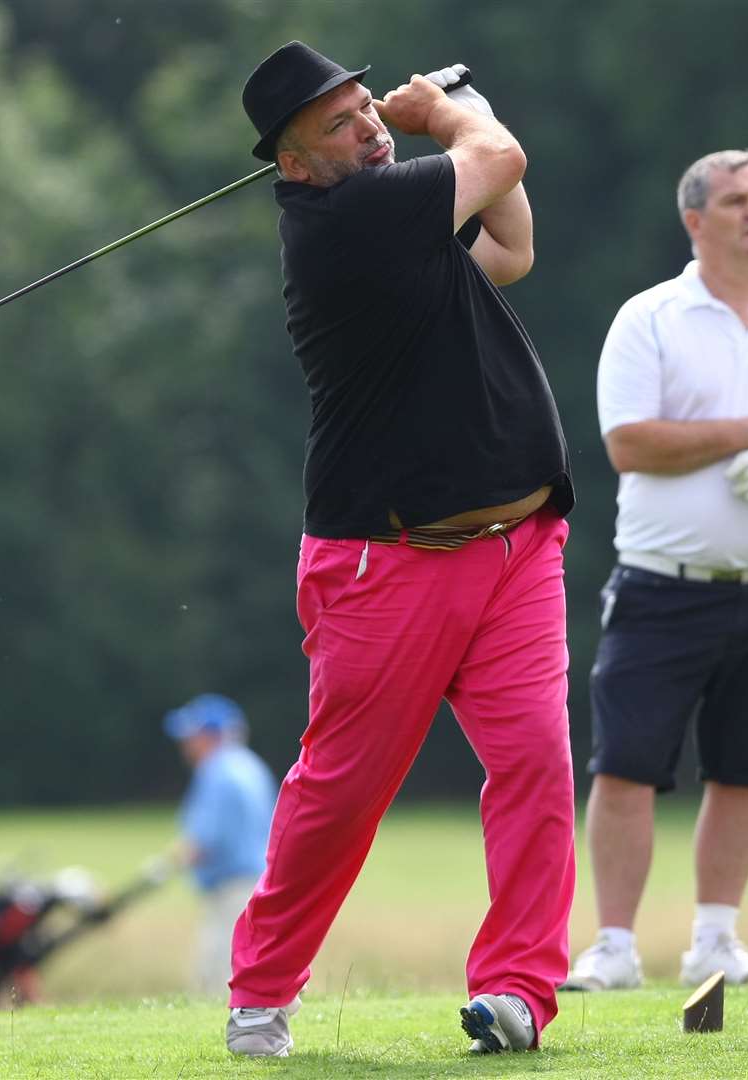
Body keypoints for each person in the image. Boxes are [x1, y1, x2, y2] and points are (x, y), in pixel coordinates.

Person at [225, 42, 576, 1057]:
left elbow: (509, 246)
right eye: (336, 125)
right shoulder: (345, 221)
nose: (364, 129)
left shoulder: (395, 218)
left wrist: (457, 120)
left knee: (536, 764)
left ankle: (515, 990)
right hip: (387, 563)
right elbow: (499, 164)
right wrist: (444, 112)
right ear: (293, 165)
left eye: (361, 109)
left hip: (517, 543)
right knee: (342, 789)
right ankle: (261, 990)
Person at [562, 150, 748, 993]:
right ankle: (614, 946)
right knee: (624, 765)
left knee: (746, 766)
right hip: (663, 581)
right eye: (736, 200)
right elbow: (629, 443)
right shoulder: (650, 318)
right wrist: (747, 434)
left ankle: (715, 944)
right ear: (695, 220)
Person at [164, 693, 277, 996]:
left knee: (215, 978)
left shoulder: (217, 772)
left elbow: (203, 838)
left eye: (191, 735)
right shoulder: (252, 766)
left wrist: (166, 864)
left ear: (209, 735)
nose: (185, 743)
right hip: (257, 882)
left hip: (230, 887)